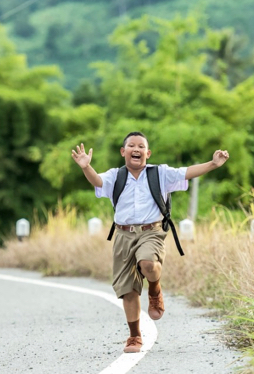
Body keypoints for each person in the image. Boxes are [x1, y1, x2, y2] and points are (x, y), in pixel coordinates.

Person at [71, 131, 229, 353]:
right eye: (131, 146)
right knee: (128, 290)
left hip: (151, 232)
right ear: (123, 151)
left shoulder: (160, 173)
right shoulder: (115, 176)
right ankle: (135, 336)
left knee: (148, 264)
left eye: (141, 146)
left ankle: (155, 289)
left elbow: (187, 173)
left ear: (148, 152)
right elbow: (97, 181)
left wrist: (213, 164)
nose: (136, 149)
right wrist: (86, 166)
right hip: (123, 235)